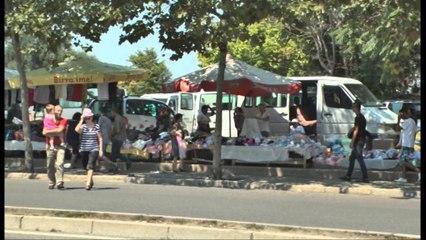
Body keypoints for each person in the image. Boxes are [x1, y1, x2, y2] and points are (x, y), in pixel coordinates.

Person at [340, 100, 369, 183]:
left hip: (358, 141)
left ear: (356, 107)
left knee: (360, 159)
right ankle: (348, 176)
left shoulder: (358, 118)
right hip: (361, 139)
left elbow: (356, 130)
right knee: (352, 158)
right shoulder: (362, 117)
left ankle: (365, 177)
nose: (352, 108)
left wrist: (352, 141)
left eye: (353, 107)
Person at [75, 108, 103, 190]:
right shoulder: (83, 126)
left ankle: (87, 183)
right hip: (84, 149)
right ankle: (90, 180)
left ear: (91, 117)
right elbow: (76, 130)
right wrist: (81, 120)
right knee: (85, 165)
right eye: (86, 118)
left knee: (90, 165)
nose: (87, 120)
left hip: (94, 148)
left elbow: (100, 138)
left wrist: (100, 150)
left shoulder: (96, 126)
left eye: (88, 118)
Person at [42, 105, 68, 190]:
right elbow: (43, 132)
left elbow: (59, 130)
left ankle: (59, 181)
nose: (59, 112)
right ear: (53, 111)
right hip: (50, 145)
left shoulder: (63, 120)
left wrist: (49, 132)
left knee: (59, 163)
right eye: (57, 110)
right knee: (50, 165)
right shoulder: (48, 120)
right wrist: (52, 132)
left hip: (60, 145)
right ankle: (51, 181)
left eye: (61, 111)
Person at [394, 107, 420, 183]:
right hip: (409, 144)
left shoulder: (407, 121)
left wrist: (398, 120)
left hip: (406, 145)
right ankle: (403, 177)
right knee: (405, 161)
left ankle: (418, 171)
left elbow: (398, 129)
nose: (401, 115)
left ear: (406, 113)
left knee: (403, 161)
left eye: (402, 113)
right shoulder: (413, 122)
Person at [110, 106, 131, 172]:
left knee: (114, 154)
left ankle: (115, 167)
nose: (111, 114)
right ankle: (125, 162)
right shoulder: (120, 118)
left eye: (111, 112)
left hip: (117, 138)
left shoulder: (117, 118)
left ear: (114, 112)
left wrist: (111, 134)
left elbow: (117, 130)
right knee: (117, 153)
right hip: (120, 138)